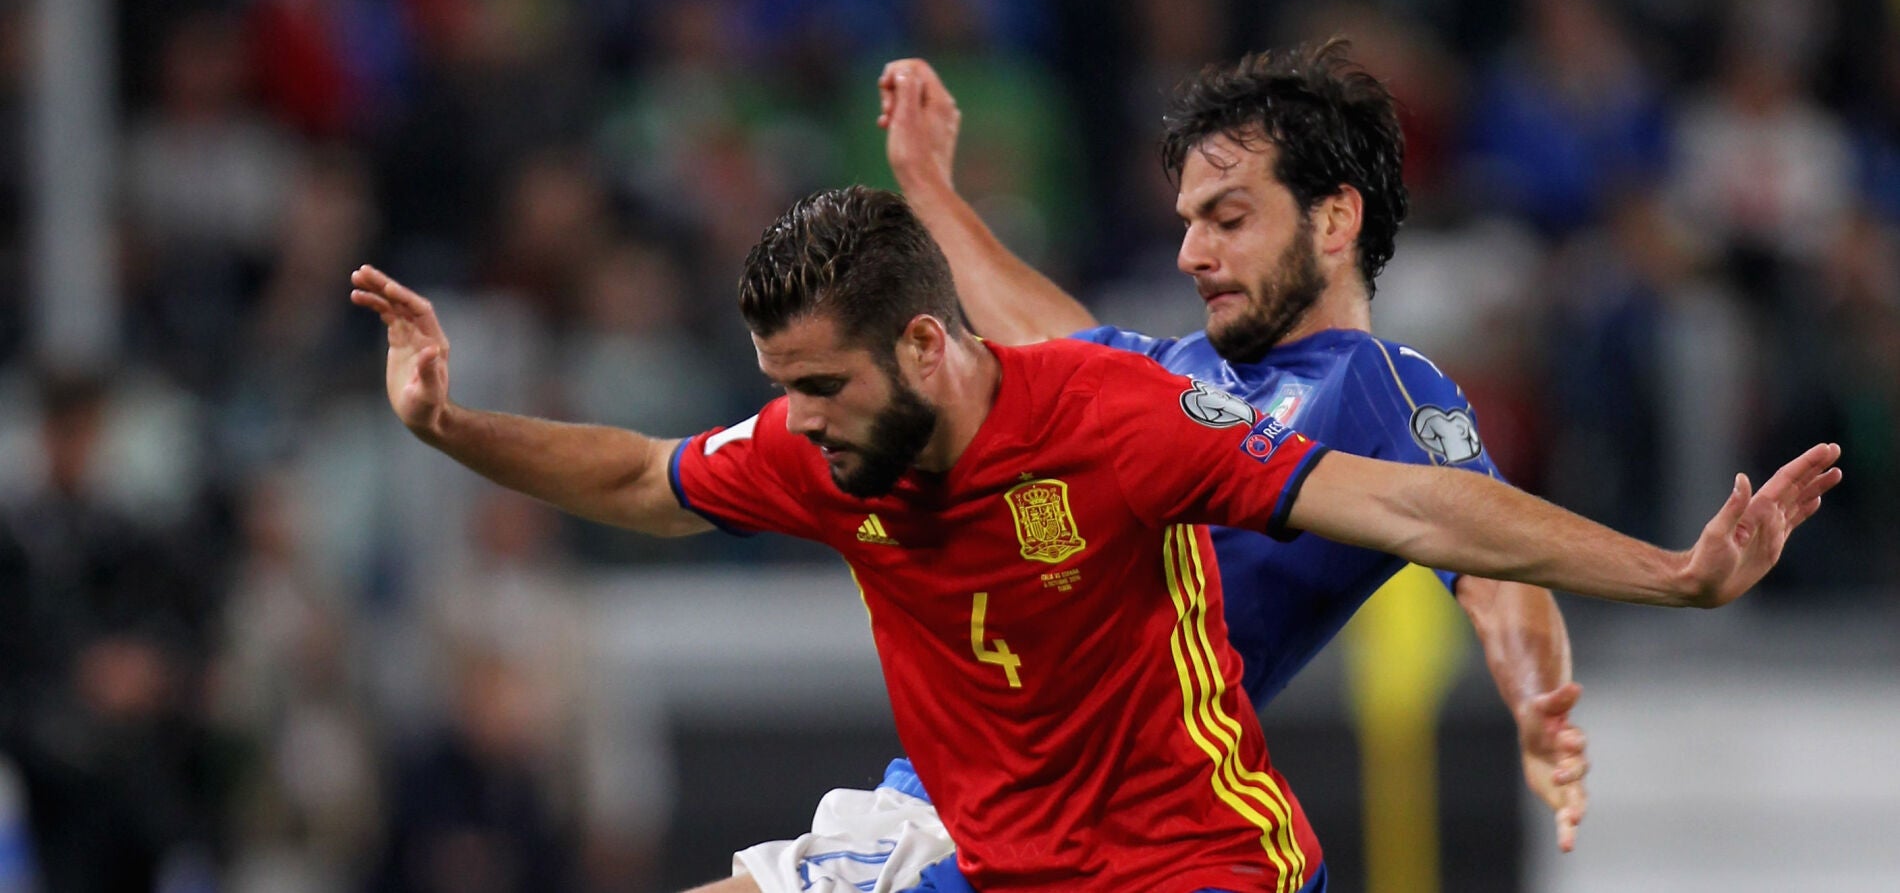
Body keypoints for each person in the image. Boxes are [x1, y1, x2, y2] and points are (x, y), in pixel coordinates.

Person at [349, 187, 1836, 893]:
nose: (790, 425)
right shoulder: (821, 448)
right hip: (973, 846)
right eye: (777, 390)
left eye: (816, 386)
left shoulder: (1122, 419)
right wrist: (447, 425)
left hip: (1185, 866)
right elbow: (638, 477)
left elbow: (1410, 503)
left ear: (928, 345)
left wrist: (1675, 573)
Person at [701, 43, 1602, 893]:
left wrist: (1537, 695)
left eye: (1229, 218)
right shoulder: (1157, 377)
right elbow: (1041, 328)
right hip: (974, 787)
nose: (1192, 252)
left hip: (1121, 828)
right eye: (1189, 222)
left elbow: (1493, 555)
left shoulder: (1383, 391)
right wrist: (929, 187)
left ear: (1334, 218)